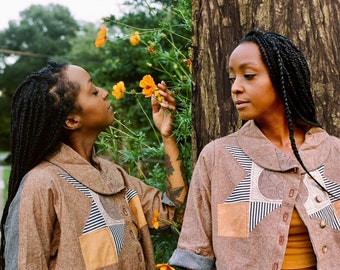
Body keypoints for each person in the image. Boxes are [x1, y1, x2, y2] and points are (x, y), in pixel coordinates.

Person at [169, 29, 340, 269]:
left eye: (248, 75)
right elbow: (195, 256)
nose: (235, 88)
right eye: (232, 79)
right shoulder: (218, 158)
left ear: (285, 79)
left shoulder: (334, 154)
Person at [0, 61, 188, 270]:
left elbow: (174, 215)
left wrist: (167, 136)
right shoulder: (42, 185)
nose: (105, 93)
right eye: (93, 91)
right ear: (71, 120)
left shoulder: (114, 176)